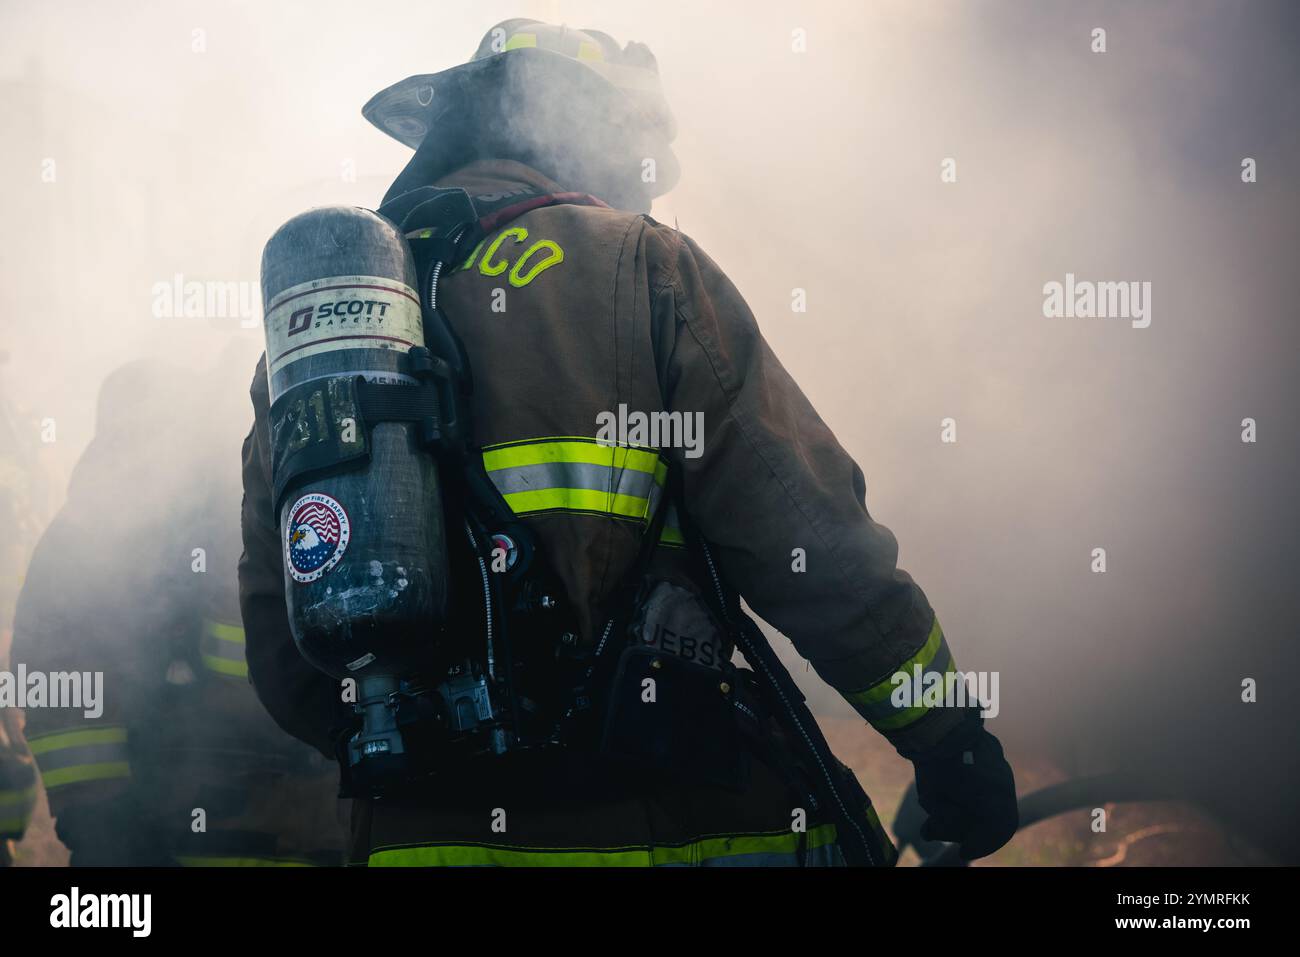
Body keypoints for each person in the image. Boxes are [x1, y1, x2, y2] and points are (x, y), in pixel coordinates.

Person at [239, 20, 1017, 866]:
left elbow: (282, 646)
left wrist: (431, 755)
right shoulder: (640, 266)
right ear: (590, 136)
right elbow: (812, 545)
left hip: (415, 840)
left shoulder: (322, 339)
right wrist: (948, 739)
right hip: (661, 823)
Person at [14, 358, 345, 866]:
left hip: (311, 837)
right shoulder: (90, 539)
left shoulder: (280, 504)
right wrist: (108, 836)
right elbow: (65, 702)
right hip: (186, 844)